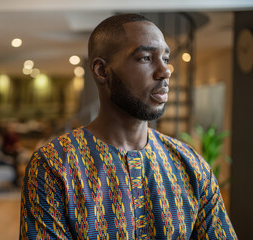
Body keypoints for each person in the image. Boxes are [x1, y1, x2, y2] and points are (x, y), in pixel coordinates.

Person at [20, 14, 237, 239]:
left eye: (165, 58)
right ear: (102, 71)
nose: (165, 71)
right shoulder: (54, 165)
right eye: (145, 58)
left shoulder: (192, 166)